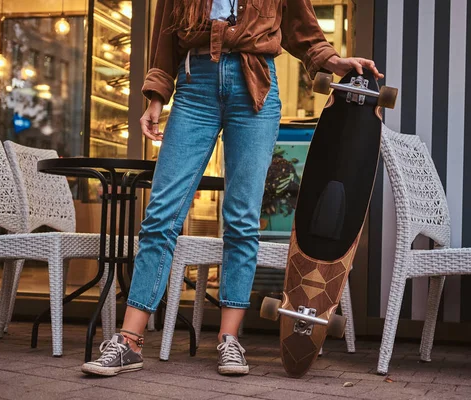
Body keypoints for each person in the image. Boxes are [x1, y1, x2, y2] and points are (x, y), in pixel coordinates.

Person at [81, 0, 383, 377]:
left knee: (241, 219)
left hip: (254, 86)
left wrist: (333, 61)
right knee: (161, 214)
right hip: (194, 89)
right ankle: (128, 341)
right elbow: (165, 38)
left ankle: (229, 340)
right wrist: (157, 98)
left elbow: (301, 28)